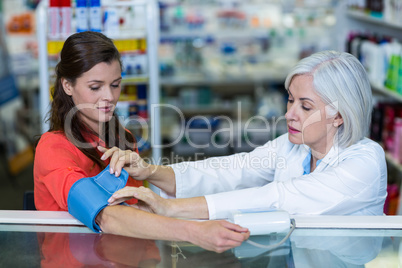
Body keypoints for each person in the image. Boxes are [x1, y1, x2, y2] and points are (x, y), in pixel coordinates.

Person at [104, 50, 388, 221]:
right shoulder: (294, 147)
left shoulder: (366, 161)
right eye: (290, 100)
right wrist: (150, 172)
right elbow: (229, 170)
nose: (290, 114)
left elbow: (276, 198)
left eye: (306, 106)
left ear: (340, 114)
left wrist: (170, 208)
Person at [34, 31, 250, 253]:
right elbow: (104, 216)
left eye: (115, 84)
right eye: (95, 87)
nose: (109, 96)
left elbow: (139, 207)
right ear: (68, 86)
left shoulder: (122, 138)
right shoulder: (53, 148)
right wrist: (194, 231)